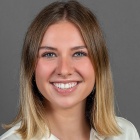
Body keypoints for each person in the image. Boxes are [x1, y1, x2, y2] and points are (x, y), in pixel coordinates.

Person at [0, 1, 139, 140]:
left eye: (79, 53)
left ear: (99, 63)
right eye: (49, 54)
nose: (64, 70)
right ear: (31, 67)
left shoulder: (125, 134)